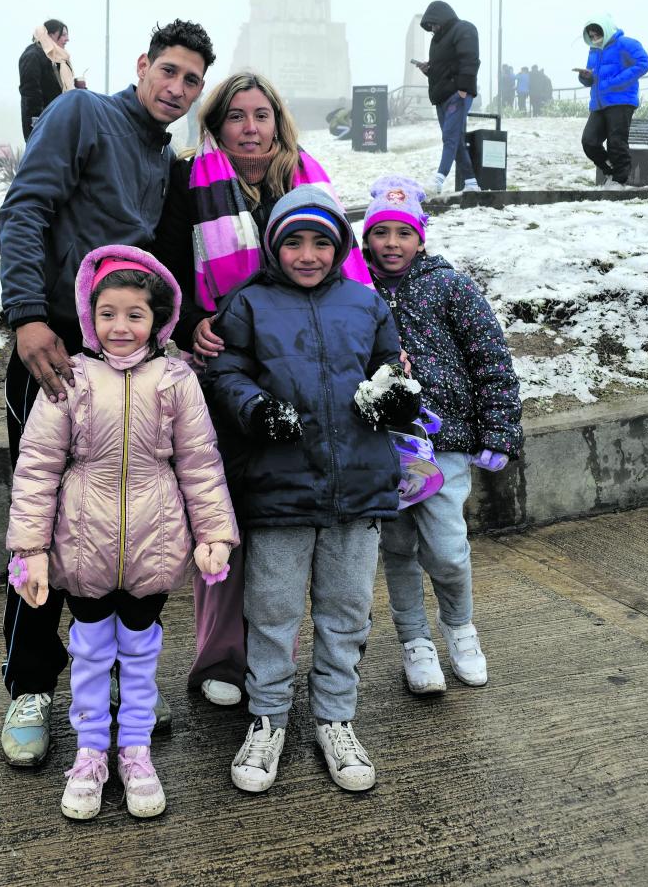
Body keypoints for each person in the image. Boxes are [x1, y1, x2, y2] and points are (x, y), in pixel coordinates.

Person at [0, 18, 216, 768]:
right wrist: (27, 316)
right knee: (45, 522)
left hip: (127, 361)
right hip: (55, 348)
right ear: (142, 65)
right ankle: (29, 685)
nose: (177, 89)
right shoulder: (82, 113)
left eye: (192, 81)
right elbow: (25, 207)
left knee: (114, 532)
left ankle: (116, 696)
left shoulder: (163, 156)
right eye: (170, 71)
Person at [151, 71, 372, 709]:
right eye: (237, 117)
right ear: (216, 125)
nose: (251, 129)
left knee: (300, 509)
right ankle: (222, 655)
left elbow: (347, 268)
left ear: (278, 121)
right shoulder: (188, 180)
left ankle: (300, 650)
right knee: (224, 511)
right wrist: (192, 322)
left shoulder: (306, 178)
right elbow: (164, 264)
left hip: (309, 367)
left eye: (262, 115)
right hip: (223, 368)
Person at [7, 246, 238, 820]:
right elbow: (37, 466)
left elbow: (200, 462)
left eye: (135, 314)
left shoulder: (177, 380)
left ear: (158, 320)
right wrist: (29, 549)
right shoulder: (70, 381)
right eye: (107, 313)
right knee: (88, 651)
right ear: (90, 317)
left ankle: (135, 749)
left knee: (140, 649)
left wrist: (214, 533)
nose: (120, 327)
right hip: (84, 545)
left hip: (153, 546)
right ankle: (90, 753)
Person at [206, 186, 407, 795]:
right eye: (294, 241)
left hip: (358, 485)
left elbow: (389, 365)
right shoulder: (250, 304)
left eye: (322, 241)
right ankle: (267, 716)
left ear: (341, 246)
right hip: (279, 487)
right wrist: (255, 408)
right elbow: (227, 371)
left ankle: (335, 717)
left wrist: (393, 393)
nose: (309, 253)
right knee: (272, 611)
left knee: (345, 612)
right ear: (274, 247)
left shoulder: (365, 305)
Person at [361, 175, 523, 695]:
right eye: (380, 232)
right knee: (399, 548)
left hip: (444, 440)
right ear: (366, 237)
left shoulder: (450, 285)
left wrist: (498, 430)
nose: (391, 244)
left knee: (448, 549)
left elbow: (490, 357)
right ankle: (415, 642)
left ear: (420, 238)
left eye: (402, 233)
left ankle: (460, 628)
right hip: (384, 444)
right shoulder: (354, 289)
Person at [414, 1, 481, 194]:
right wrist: (428, 70)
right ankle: (471, 183)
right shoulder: (437, 41)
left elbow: (470, 59)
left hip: (457, 94)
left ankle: (438, 180)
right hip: (441, 95)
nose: (433, 29)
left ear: (441, 18)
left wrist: (463, 88)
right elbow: (442, 68)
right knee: (454, 139)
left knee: (450, 138)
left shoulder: (464, 29)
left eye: (434, 24)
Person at [577, 14, 648, 188]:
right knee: (589, 141)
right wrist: (585, 77)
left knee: (616, 142)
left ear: (607, 29)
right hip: (599, 103)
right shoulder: (594, 50)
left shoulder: (626, 43)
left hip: (621, 100)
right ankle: (611, 171)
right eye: (592, 36)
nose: (595, 38)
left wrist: (614, 82)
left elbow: (643, 63)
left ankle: (619, 181)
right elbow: (593, 77)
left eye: (597, 34)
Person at [19, 19, 82, 140]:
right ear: (50, 35)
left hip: (59, 122)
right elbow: (30, 92)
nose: (67, 39)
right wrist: (37, 123)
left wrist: (78, 89)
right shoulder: (33, 55)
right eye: (63, 34)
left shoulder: (58, 59)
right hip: (42, 126)